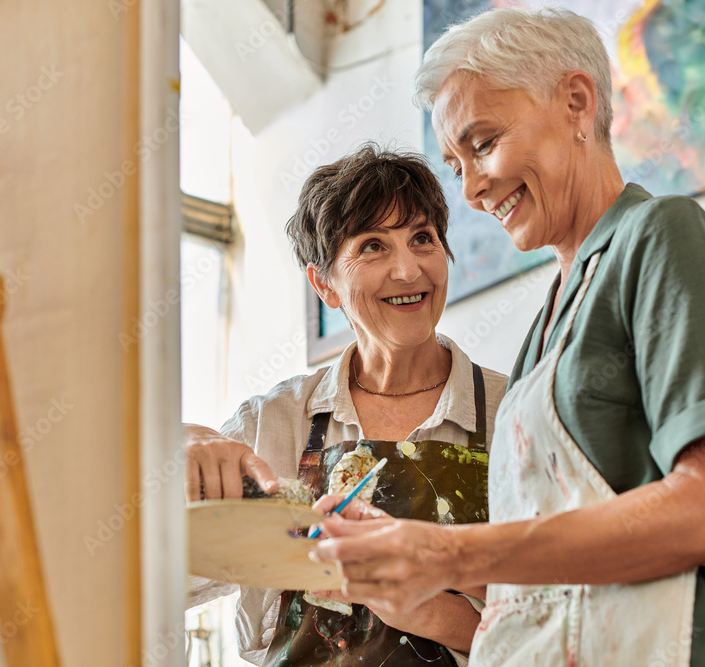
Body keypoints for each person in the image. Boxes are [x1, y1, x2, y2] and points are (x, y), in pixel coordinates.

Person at [307, 8, 705, 666]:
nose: (474, 190)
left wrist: (449, 550)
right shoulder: (544, 332)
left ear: (576, 101)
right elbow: (553, 574)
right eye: (456, 165)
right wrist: (419, 569)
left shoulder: (659, 239)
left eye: (482, 144)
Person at [184, 144, 508, 666]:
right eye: (373, 246)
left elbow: (566, 618)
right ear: (324, 284)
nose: (408, 270)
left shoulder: (514, 411)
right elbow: (152, 574)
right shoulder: (272, 425)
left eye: (422, 238)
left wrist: (428, 609)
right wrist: (176, 442)